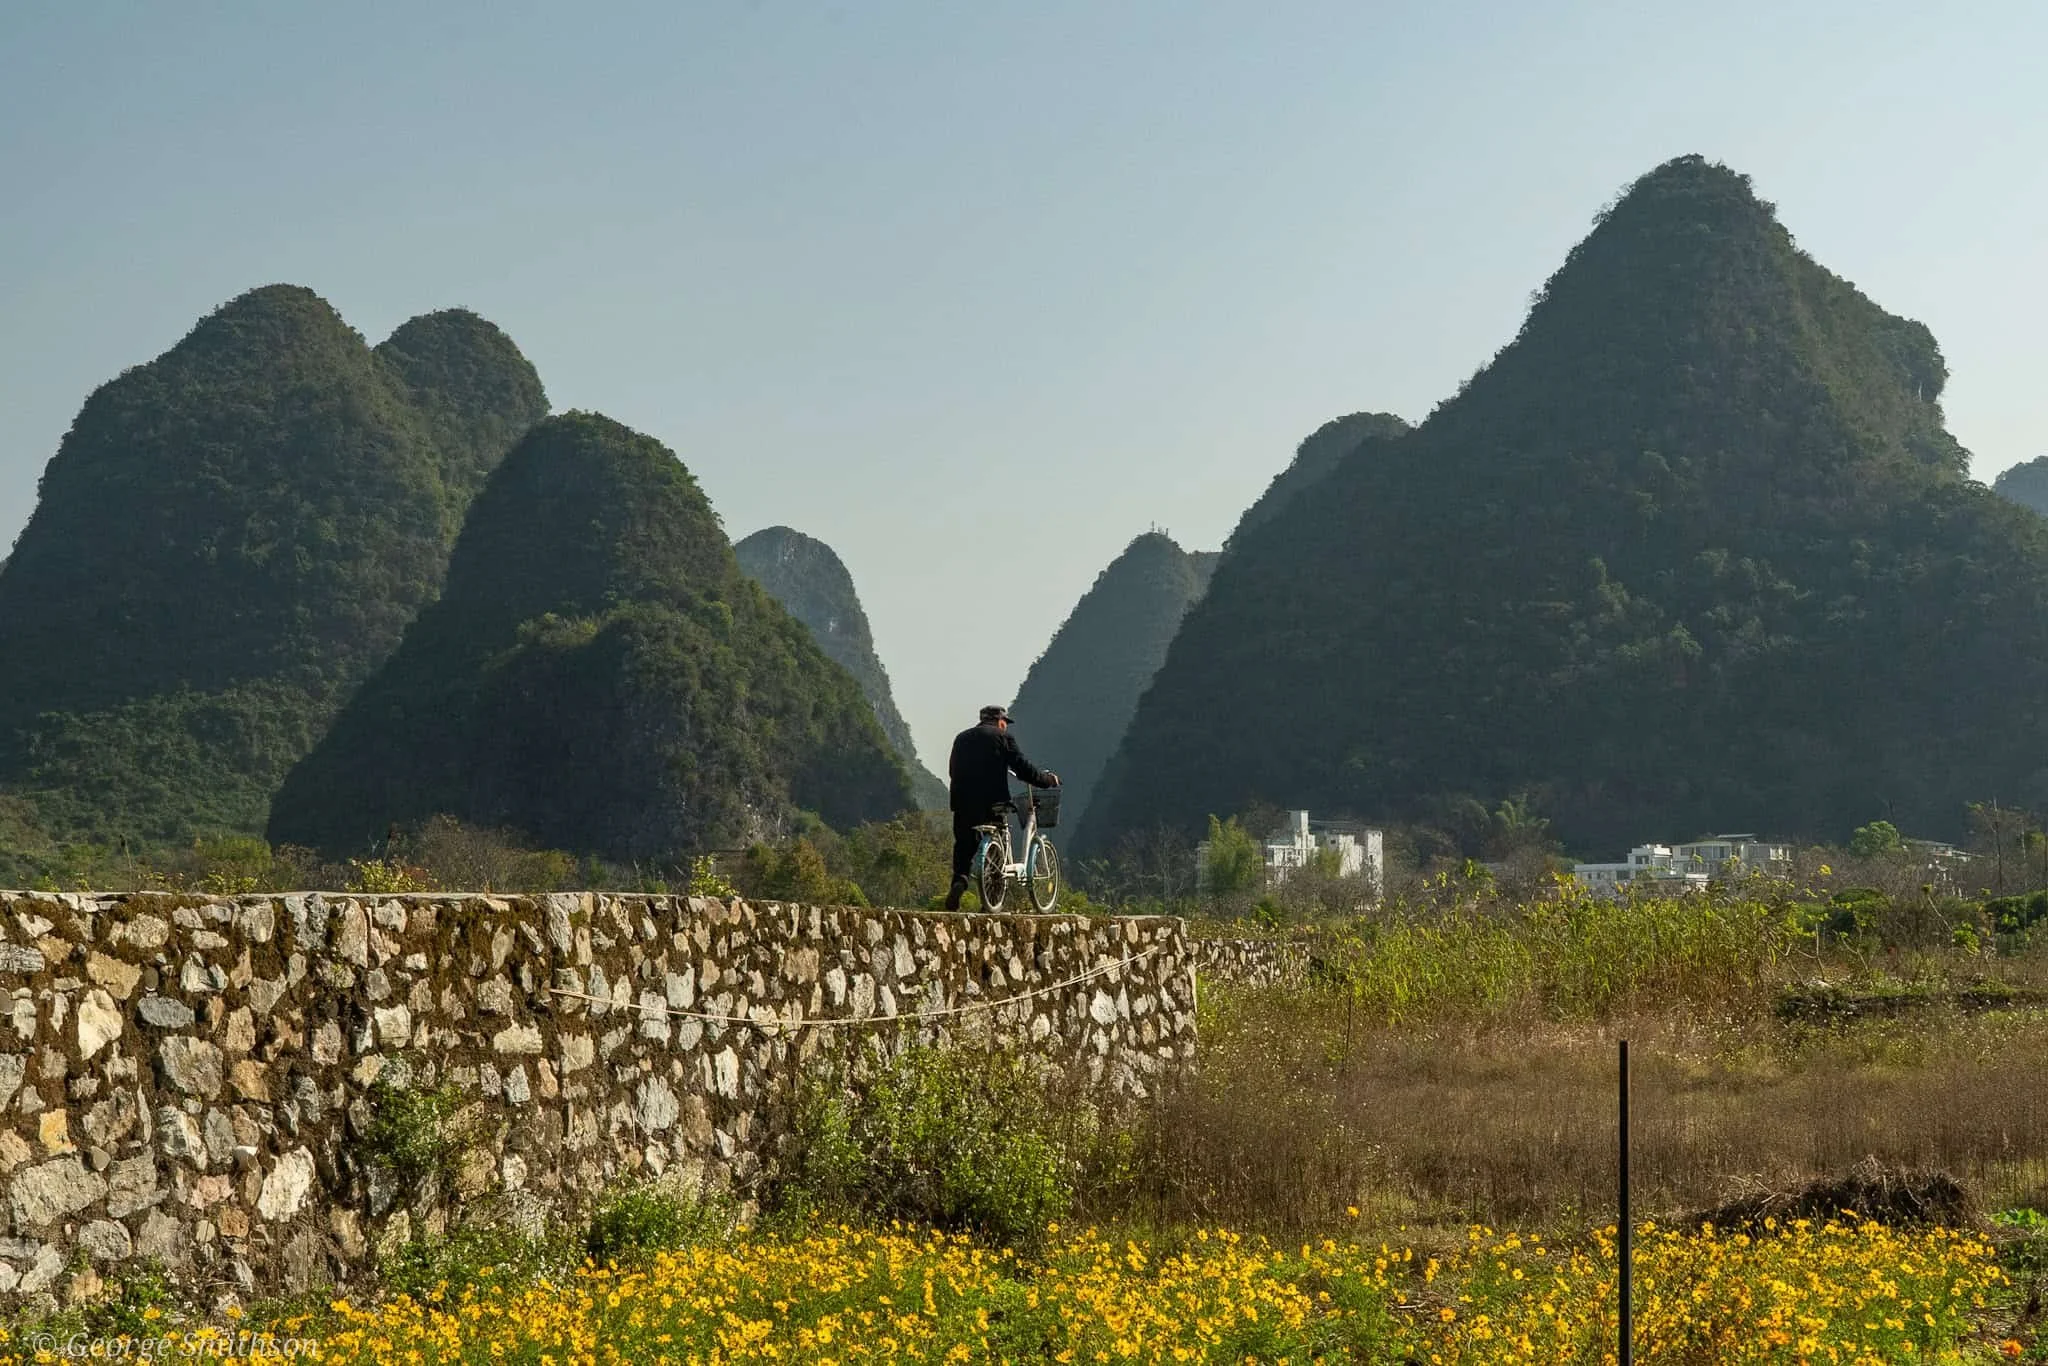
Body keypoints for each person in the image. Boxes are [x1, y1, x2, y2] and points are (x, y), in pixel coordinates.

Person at [946, 704, 1058, 910]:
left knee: (963, 846)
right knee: (999, 840)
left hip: (961, 802)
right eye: (1005, 723)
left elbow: (952, 770)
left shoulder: (961, 738)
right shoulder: (1003, 738)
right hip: (992, 802)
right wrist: (1047, 780)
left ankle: (959, 882)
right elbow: (1023, 769)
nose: (1005, 727)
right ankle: (991, 901)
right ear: (1000, 721)